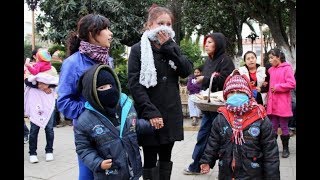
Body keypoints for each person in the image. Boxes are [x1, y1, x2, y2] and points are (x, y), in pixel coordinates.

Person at [127, 4, 193, 180]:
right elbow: (135, 85)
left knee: (166, 156)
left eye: (168, 24)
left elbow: (186, 70)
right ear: (149, 25)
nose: (165, 27)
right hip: (150, 113)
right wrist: (151, 113)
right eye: (160, 23)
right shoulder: (138, 49)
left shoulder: (172, 47)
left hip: (170, 113)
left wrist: (169, 47)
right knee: (149, 158)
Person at [56, 14, 114, 180]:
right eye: (105, 29)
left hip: (110, 127)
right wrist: (90, 111)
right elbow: (64, 102)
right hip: (87, 132)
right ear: (91, 33)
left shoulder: (108, 60)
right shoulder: (73, 63)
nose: (110, 33)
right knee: (88, 172)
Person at [75, 64, 154, 179]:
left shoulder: (126, 105)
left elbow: (134, 125)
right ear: (92, 92)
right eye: (102, 88)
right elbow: (83, 148)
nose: (108, 90)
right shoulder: (85, 120)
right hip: (109, 175)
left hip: (133, 169)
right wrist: (98, 163)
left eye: (110, 86)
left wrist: (150, 125)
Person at [199, 69, 280, 179]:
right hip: (226, 173)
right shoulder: (221, 117)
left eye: (240, 92)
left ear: (248, 94)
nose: (235, 95)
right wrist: (207, 160)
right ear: (226, 95)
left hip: (252, 174)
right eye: (231, 92)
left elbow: (270, 153)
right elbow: (213, 142)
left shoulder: (260, 117)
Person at [183, 32, 235, 175]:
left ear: (218, 44)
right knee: (203, 136)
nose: (206, 44)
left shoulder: (225, 60)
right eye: (206, 42)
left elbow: (226, 81)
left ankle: (226, 169)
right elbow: (207, 80)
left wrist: (204, 79)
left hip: (221, 109)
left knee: (222, 139)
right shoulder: (208, 61)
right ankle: (197, 165)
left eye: (210, 42)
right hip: (208, 106)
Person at [24, 50, 59, 163]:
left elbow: (57, 82)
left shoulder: (52, 69)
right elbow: (27, 81)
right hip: (36, 103)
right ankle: (32, 153)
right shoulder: (32, 67)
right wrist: (39, 85)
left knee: (49, 129)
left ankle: (49, 151)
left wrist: (47, 85)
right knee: (34, 129)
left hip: (48, 102)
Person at [266, 48, 296, 158]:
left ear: (278, 57)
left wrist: (278, 87)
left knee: (284, 126)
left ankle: (286, 149)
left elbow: (292, 84)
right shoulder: (271, 70)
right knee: (273, 127)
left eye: (272, 57)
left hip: (282, 103)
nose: (270, 60)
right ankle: (273, 149)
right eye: (269, 58)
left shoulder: (287, 68)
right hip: (272, 103)